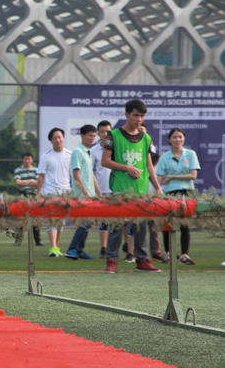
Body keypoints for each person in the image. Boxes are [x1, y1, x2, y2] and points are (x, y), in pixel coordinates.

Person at [101, 99, 163, 273]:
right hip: (120, 189)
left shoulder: (146, 138)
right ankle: (111, 260)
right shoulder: (113, 135)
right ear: (126, 114)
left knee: (141, 227)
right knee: (116, 225)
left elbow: (149, 165)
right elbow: (105, 161)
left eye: (142, 116)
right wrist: (126, 168)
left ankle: (142, 260)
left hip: (141, 191)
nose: (139, 119)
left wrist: (157, 187)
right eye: (136, 115)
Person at [156, 127, 200, 265]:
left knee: (185, 225)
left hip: (187, 193)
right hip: (170, 193)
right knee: (168, 224)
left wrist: (172, 176)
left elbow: (193, 176)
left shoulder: (190, 154)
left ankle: (184, 255)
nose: (178, 139)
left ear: (184, 138)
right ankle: (168, 253)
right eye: (174, 137)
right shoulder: (164, 157)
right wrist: (158, 190)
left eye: (180, 137)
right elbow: (159, 178)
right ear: (169, 140)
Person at [64, 124, 101, 260]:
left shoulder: (88, 151)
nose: (92, 138)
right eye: (90, 135)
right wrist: (84, 192)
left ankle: (79, 250)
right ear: (82, 136)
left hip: (89, 193)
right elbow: (76, 174)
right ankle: (72, 249)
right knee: (85, 222)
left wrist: (98, 191)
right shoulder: (77, 152)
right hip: (81, 194)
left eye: (94, 135)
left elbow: (91, 173)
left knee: (88, 222)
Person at [37, 127, 72, 257]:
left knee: (61, 222)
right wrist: (38, 194)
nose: (58, 140)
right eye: (55, 138)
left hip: (65, 192)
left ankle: (56, 247)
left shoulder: (70, 155)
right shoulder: (46, 156)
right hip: (50, 192)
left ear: (63, 138)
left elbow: (74, 175)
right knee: (51, 220)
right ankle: (52, 247)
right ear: (51, 141)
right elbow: (41, 176)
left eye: (59, 137)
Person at [12, 152, 43, 247]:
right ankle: (18, 240)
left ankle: (38, 240)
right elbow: (18, 183)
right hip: (22, 195)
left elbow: (38, 183)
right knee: (20, 218)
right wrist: (31, 181)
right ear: (23, 159)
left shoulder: (36, 170)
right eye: (25, 158)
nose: (27, 160)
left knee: (35, 218)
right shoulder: (18, 170)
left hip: (33, 195)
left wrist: (24, 183)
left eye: (29, 159)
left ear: (32, 160)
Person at [91, 120, 112, 258]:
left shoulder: (116, 147)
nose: (105, 134)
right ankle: (104, 249)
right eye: (102, 131)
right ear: (98, 134)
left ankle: (126, 249)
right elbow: (91, 171)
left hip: (117, 189)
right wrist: (97, 190)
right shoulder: (94, 150)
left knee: (120, 222)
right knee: (104, 221)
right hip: (102, 190)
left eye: (107, 131)